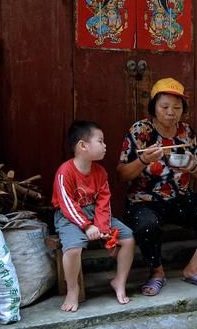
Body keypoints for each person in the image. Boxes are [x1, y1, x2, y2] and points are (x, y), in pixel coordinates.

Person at [117, 77, 197, 296]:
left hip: (180, 199)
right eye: (165, 107)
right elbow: (121, 174)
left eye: (177, 107)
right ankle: (157, 273)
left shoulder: (186, 133)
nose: (171, 112)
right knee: (146, 224)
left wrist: (192, 166)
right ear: (153, 107)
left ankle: (193, 268)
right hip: (144, 201)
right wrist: (143, 161)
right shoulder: (140, 131)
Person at [52, 120, 135, 312]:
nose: (105, 145)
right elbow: (67, 204)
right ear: (83, 145)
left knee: (128, 238)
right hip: (69, 217)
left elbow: (104, 202)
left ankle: (119, 282)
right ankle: (72, 289)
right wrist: (87, 226)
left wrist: (103, 228)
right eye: (101, 141)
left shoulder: (100, 172)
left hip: (96, 214)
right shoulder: (65, 172)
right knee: (73, 249)